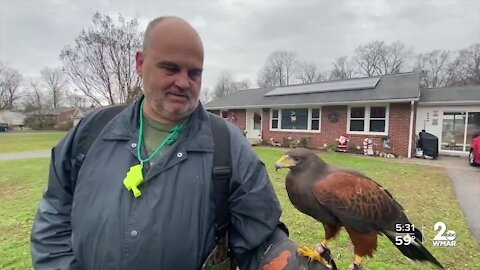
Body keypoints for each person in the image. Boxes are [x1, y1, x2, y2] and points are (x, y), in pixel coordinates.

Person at [30, 16, 330, 270]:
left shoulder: (228, 145)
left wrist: (292, 263)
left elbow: (262, 240)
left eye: (194, 73)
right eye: (171, 69)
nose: (184, 82)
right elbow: (55, 216)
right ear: (140, 62)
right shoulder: (91, 132)